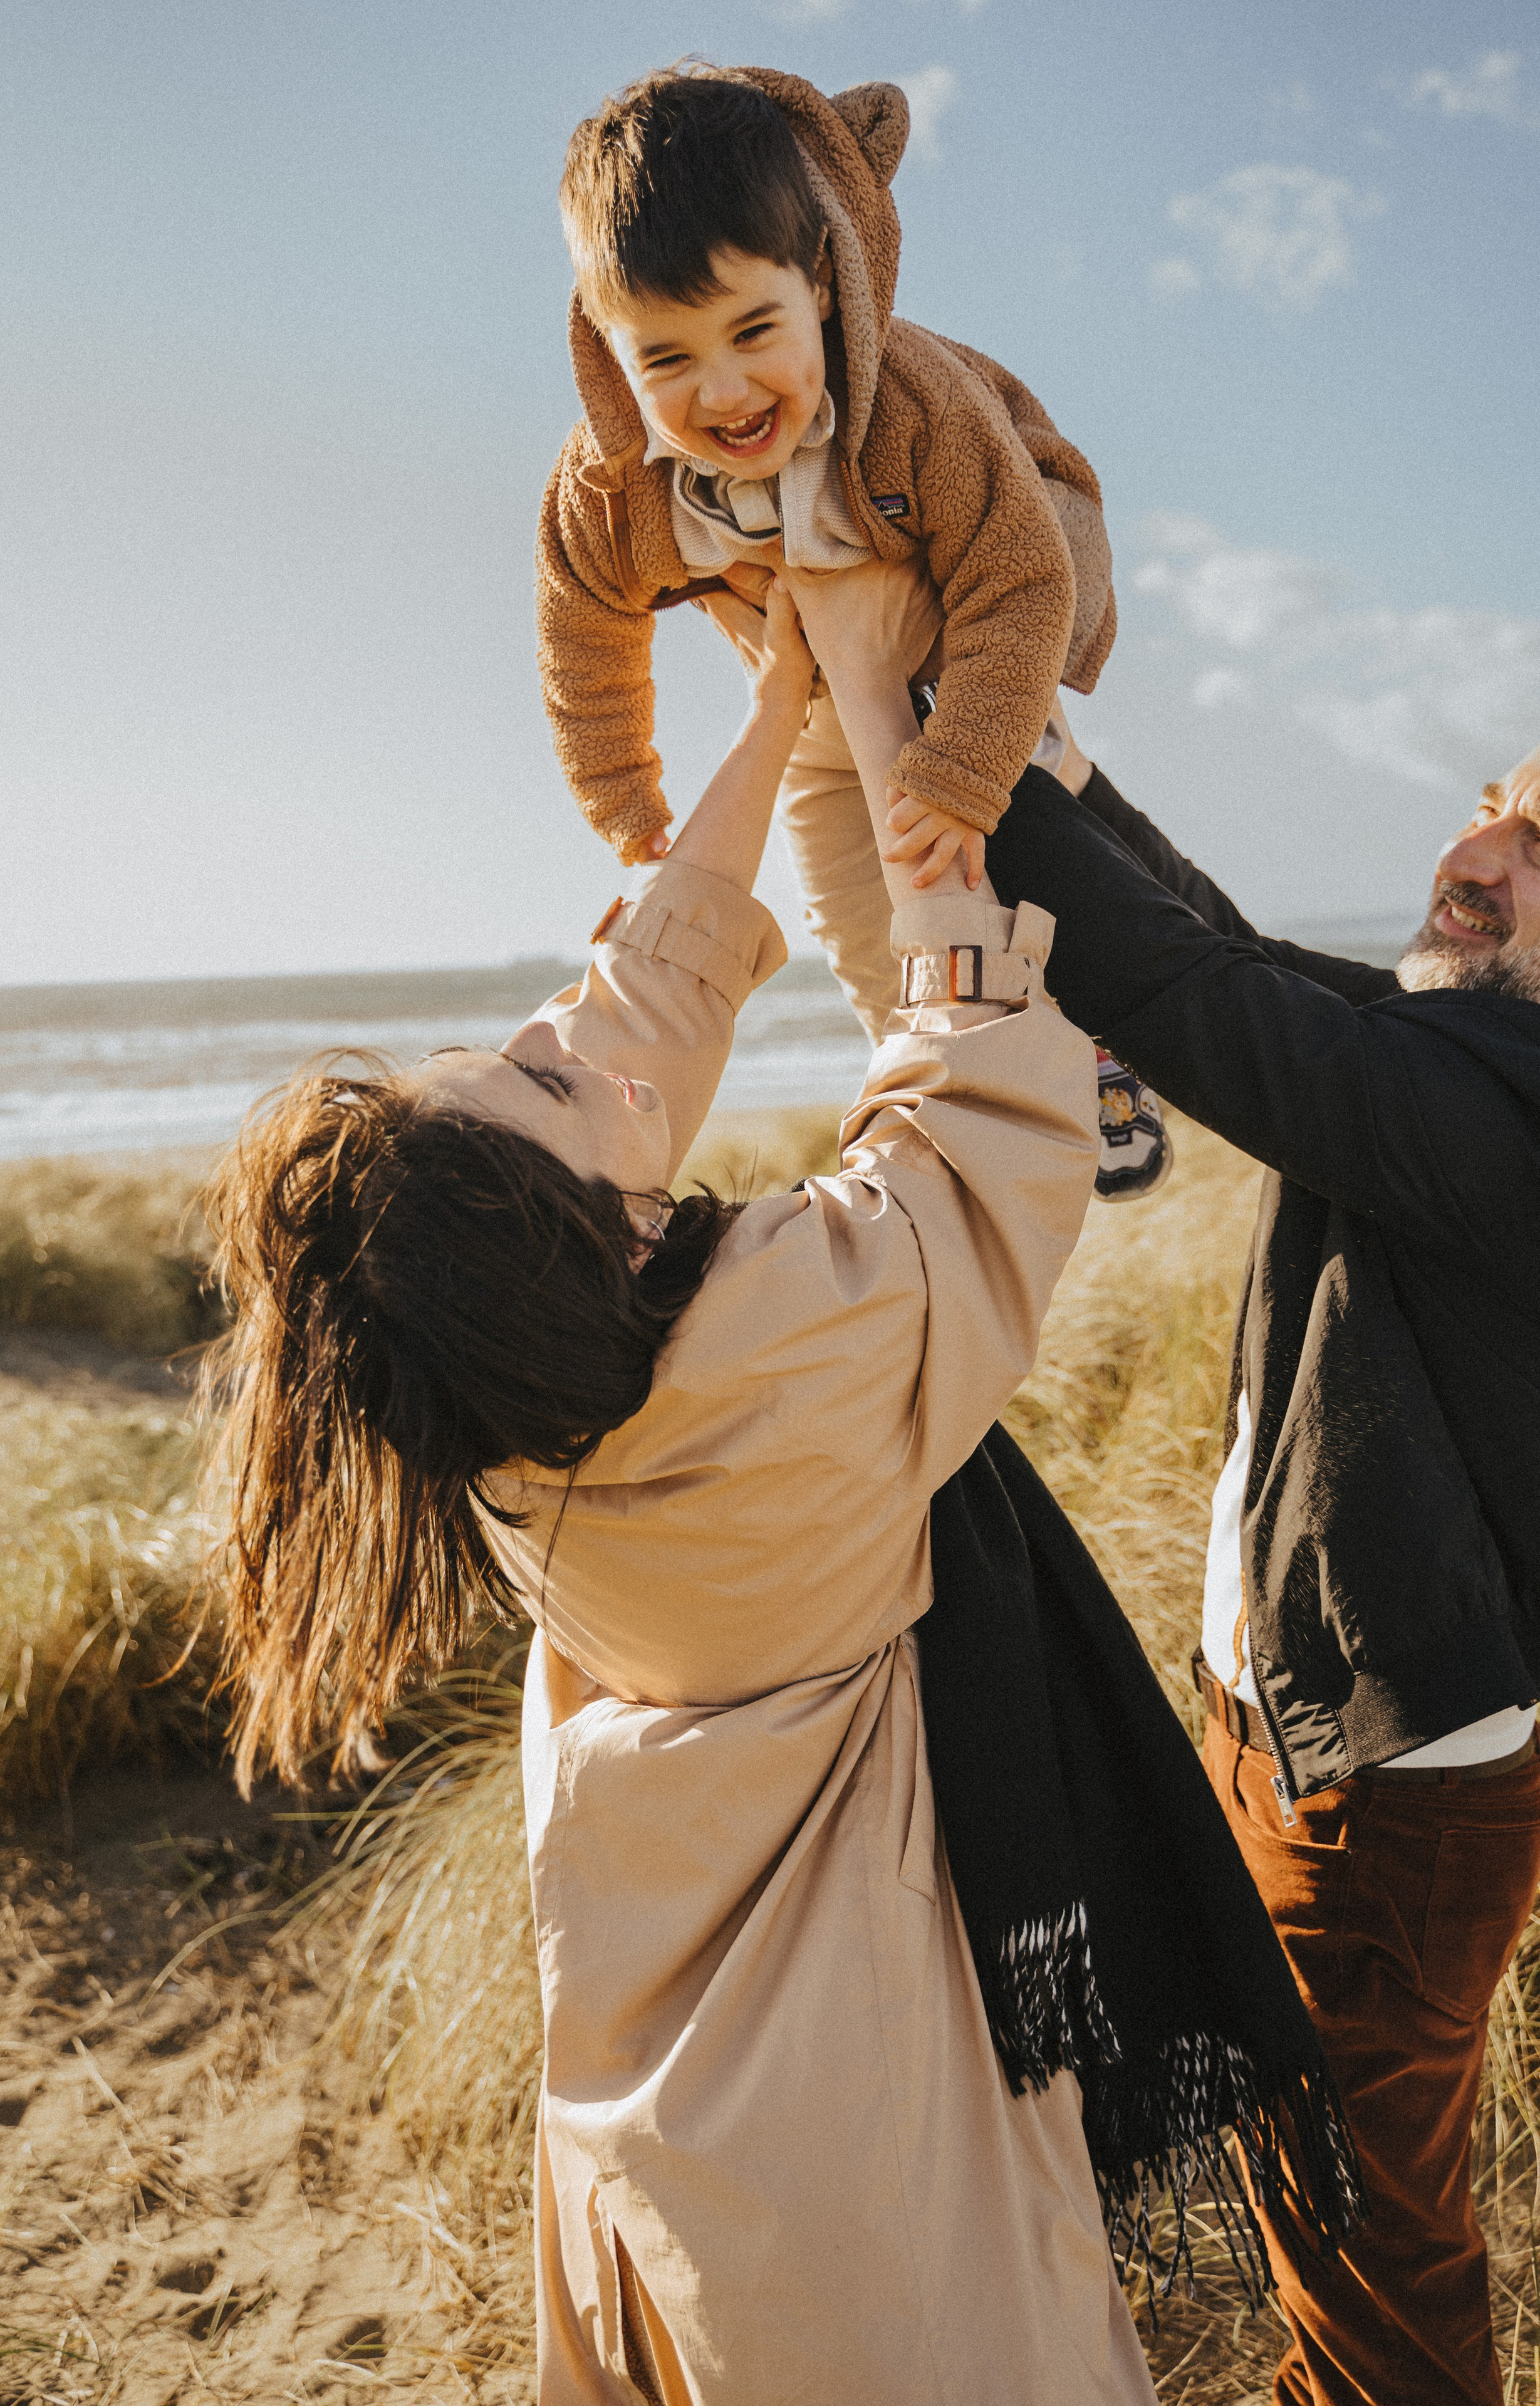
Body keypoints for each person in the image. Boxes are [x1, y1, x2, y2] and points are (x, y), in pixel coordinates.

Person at [202, 559, 1356, 2404]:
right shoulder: (780, 1356)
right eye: (542, 1080)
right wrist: (931, 767)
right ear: (601, 1215)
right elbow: (984, 1109)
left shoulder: (507, 1390)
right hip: (855, 2092)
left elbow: (638, 1010)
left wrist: (778, 711)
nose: (566, 1034)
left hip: (653, 2073)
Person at [977, 725, 1540, 2405]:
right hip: (1323, 1732)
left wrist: (943, 746)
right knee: (1341, 2178)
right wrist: (1058, 774)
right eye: (1497, 809)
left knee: (1362, 2216)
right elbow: (1220, 955)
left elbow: (1180, 994)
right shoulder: (1472, 1050)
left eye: (1539, 847)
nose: (1471, 855)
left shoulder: (1506, 1109)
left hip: (1388, 1787)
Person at [536, 63, 1115, 1046]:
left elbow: (1020, 576)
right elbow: (582, 636)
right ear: (607, 347)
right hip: (815, 722)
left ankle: (1094, 1037)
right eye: (668, 360)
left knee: (1023, 867)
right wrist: (624, 795)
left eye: (754, 331)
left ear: (819, 283)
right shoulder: (612, 483)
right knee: (860, 934)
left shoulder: (914, 406)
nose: (723, 393)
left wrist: (965, 769)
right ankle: (929, 1071)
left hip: (970, 657)